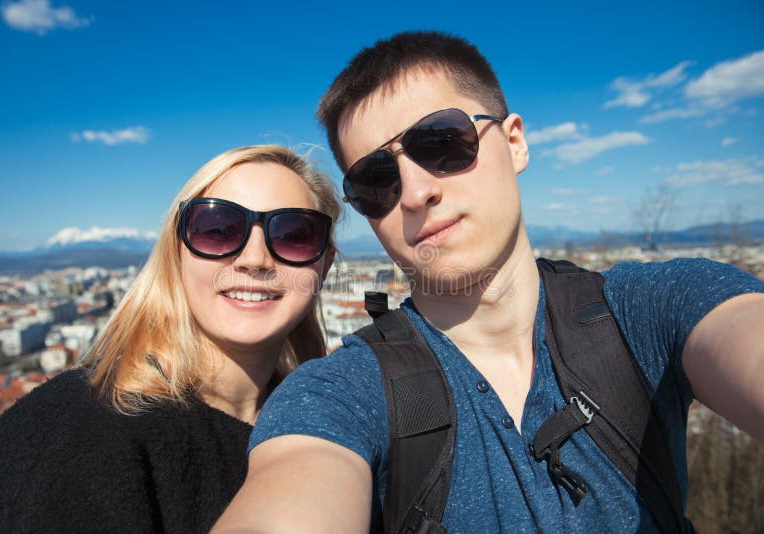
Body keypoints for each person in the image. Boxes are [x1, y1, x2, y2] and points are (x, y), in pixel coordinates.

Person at [215, 32, 764, 533]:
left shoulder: (650, 310)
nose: (414, 193)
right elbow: (298, 481)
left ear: (515, 141)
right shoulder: (341, 393)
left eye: (441, 142)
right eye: (375, 179)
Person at [0, 144, 340, 533]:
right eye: (217, 230)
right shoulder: (71, 437)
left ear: (324, 264)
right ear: (176, 252)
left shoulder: (320, 422)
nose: (254, 258)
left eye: (295, 234)